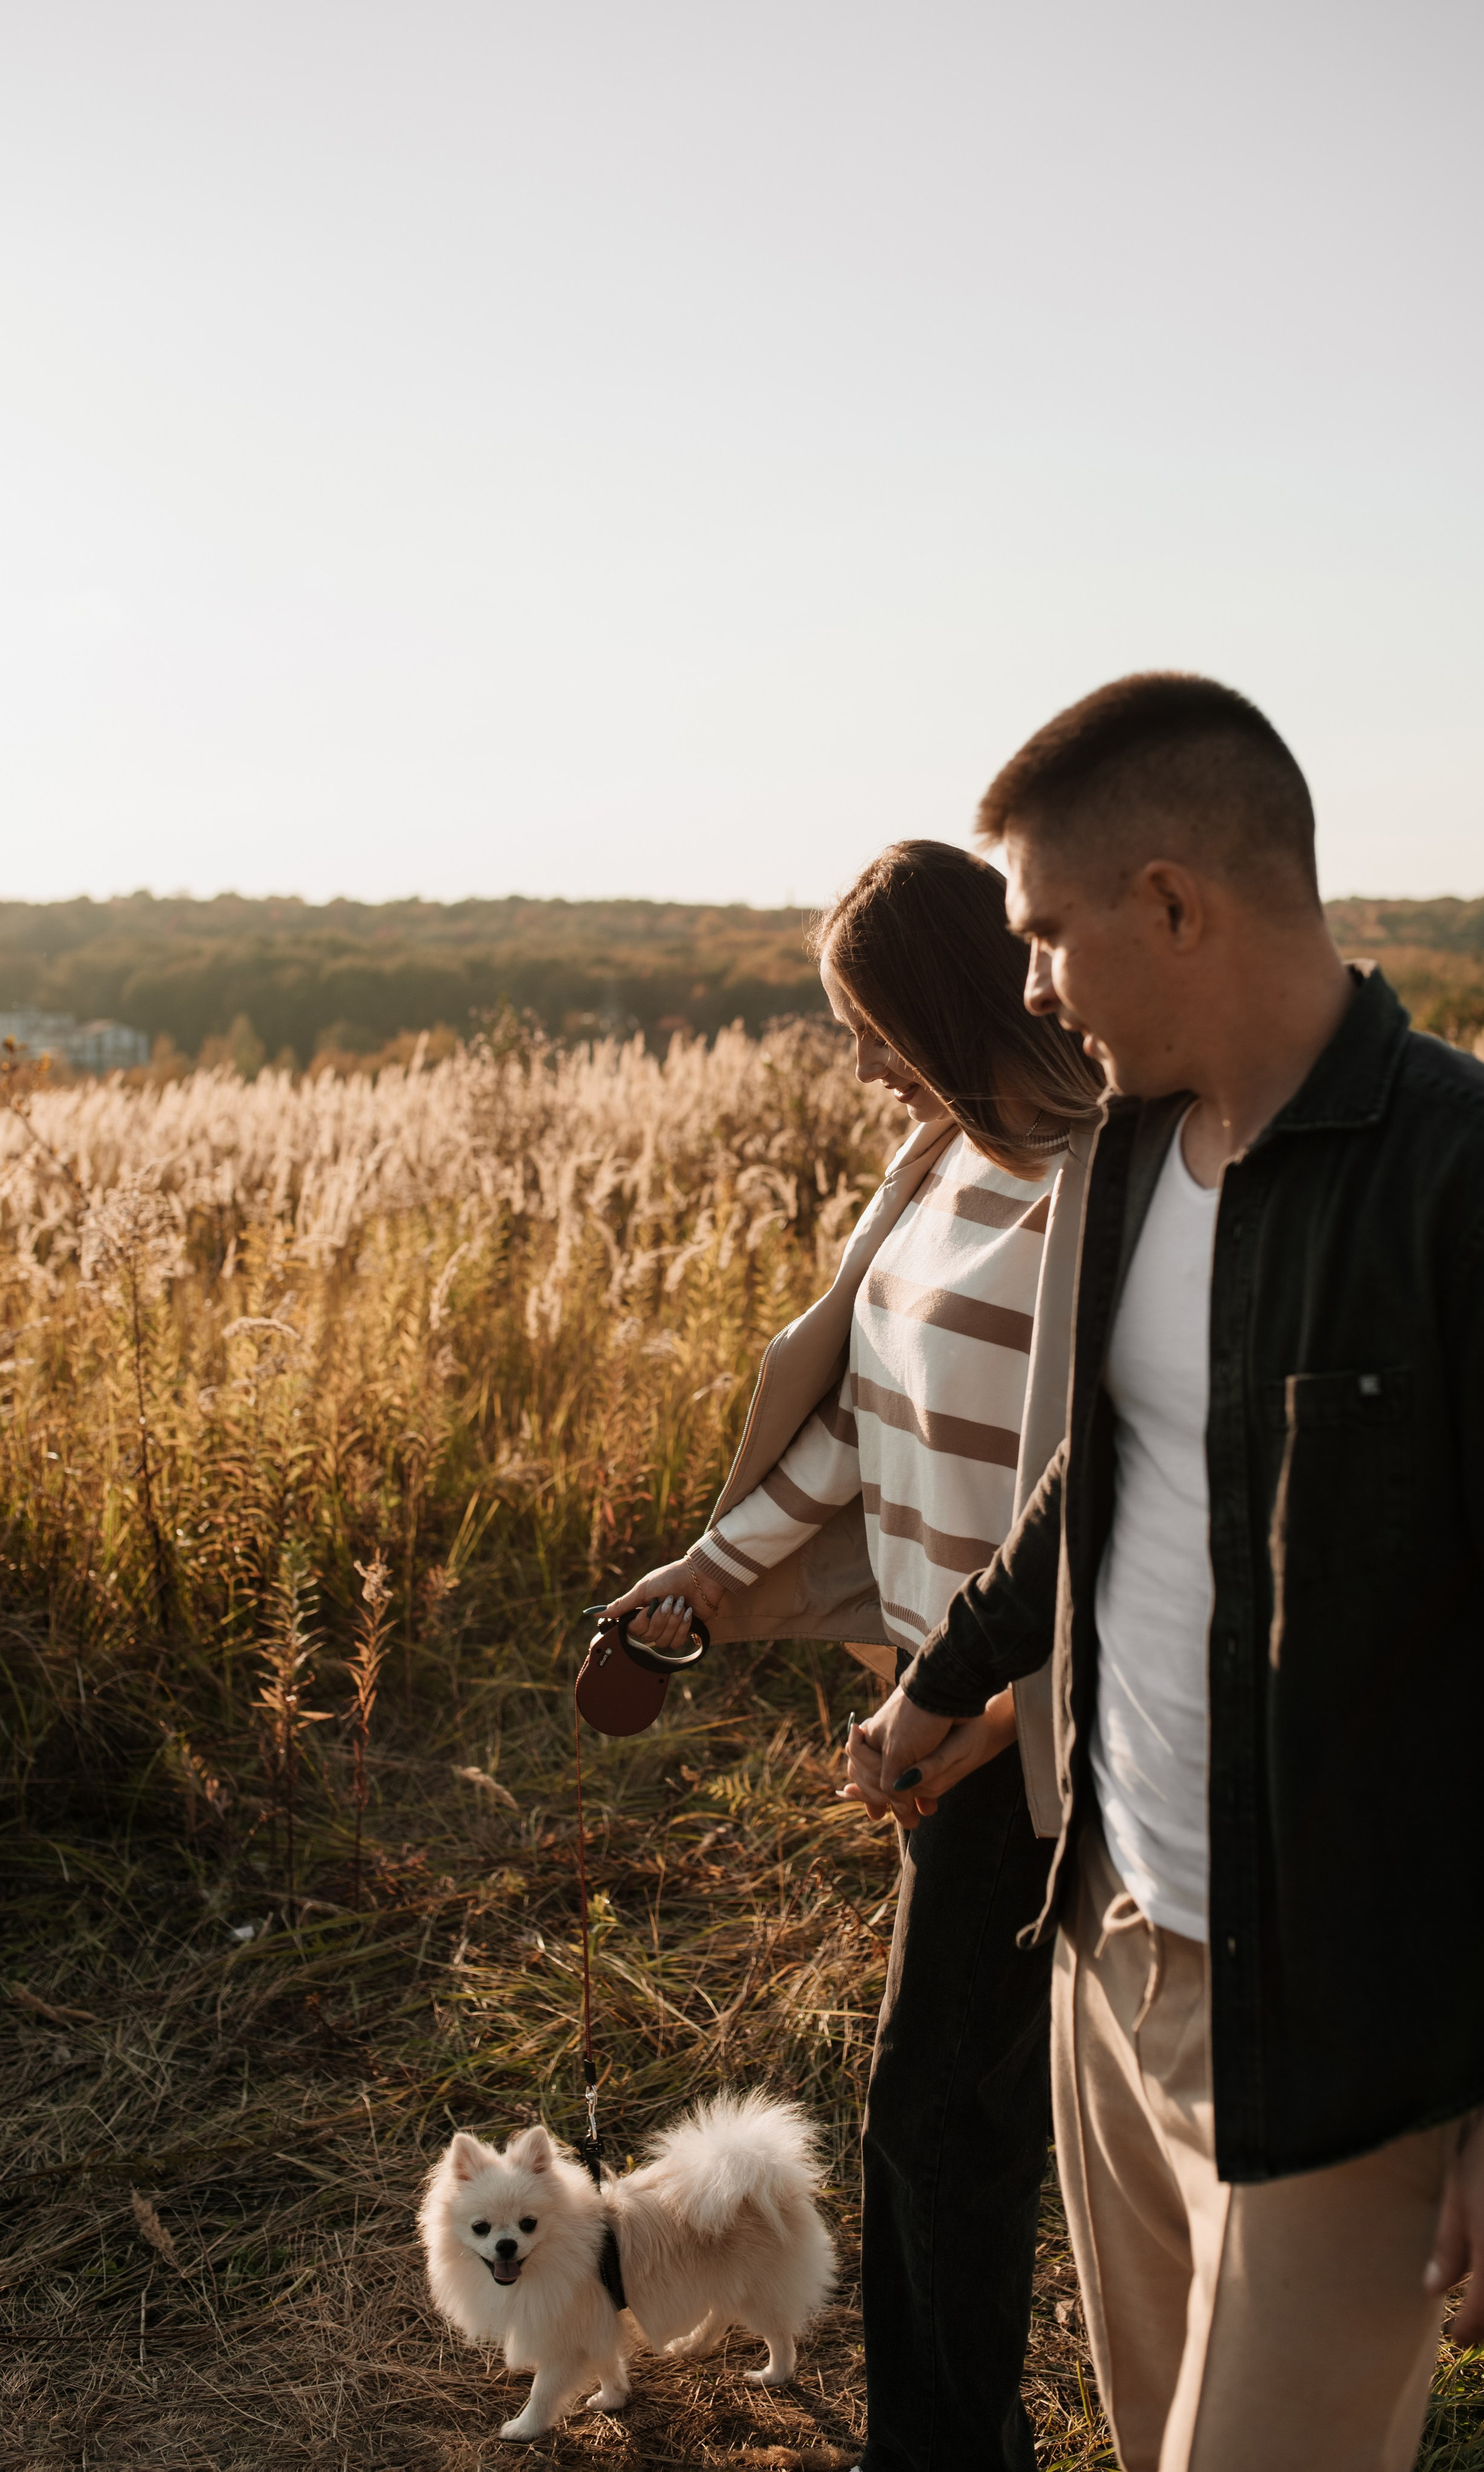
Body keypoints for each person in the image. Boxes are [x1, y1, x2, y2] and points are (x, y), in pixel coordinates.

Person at [849, 674, 1484, 2472]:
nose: (1026, 987)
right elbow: (1105, 1468)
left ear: (1171, 902)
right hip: (1108, 1942)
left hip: (1347, 2023)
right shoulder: (1128, 1153)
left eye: (1043, 933)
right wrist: (949, 1674)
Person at [606, 839, 1103, 2471]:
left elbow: (1133, 1496)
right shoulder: (935, 1164)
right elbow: (852, 1422)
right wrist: (707, 1571)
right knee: (958, 2102)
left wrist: (1000, 1705)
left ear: (950, 1003)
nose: (863, 1064)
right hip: (937, 1703)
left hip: (1049, 1722)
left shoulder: (1108, 1190)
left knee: (941, 2111)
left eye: (872, 1029)